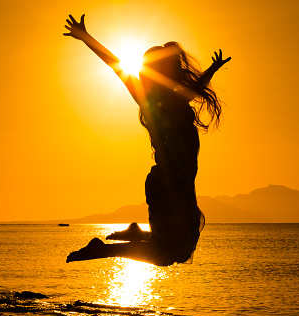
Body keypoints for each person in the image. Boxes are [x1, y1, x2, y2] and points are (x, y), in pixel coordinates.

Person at [64, 14, 230, 266]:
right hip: (167, 183)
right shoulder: (149, 100)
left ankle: (132, 235)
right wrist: (86, 37)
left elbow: (196, 87)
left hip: (182, 182)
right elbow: (114, 63)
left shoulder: (176, 99)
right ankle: (103, 249)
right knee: (169, 252)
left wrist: (212, 70)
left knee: (178, 249)